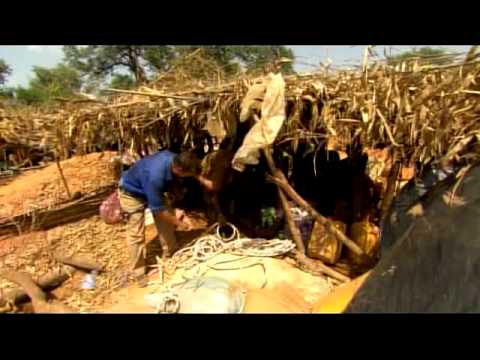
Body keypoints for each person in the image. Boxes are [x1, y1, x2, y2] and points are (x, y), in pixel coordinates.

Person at [118, 149, 213, 285]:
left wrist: (203, 180)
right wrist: (181, 224)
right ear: (178, 169)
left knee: (166, 222)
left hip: (147, 185)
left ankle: (171, 252)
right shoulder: (155, 177)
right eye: (187, 174)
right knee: (136, 234)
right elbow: (159, 212)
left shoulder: (176, 158)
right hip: (131, 193)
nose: (188, 176)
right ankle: (138, 271)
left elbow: (190, 171)